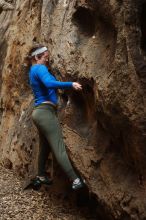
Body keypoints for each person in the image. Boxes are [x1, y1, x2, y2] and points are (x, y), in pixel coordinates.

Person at [27, 45, 85, 190]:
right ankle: (75, 180)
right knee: (59, 147)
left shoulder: (32, 71)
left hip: (39, 113)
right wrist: (70, 84)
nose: (47, 61)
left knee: (45, 147)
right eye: (45, 57)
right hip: (45, 113)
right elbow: (48, 83)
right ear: (36, 57)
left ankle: (40, 175)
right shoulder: (39, 68)